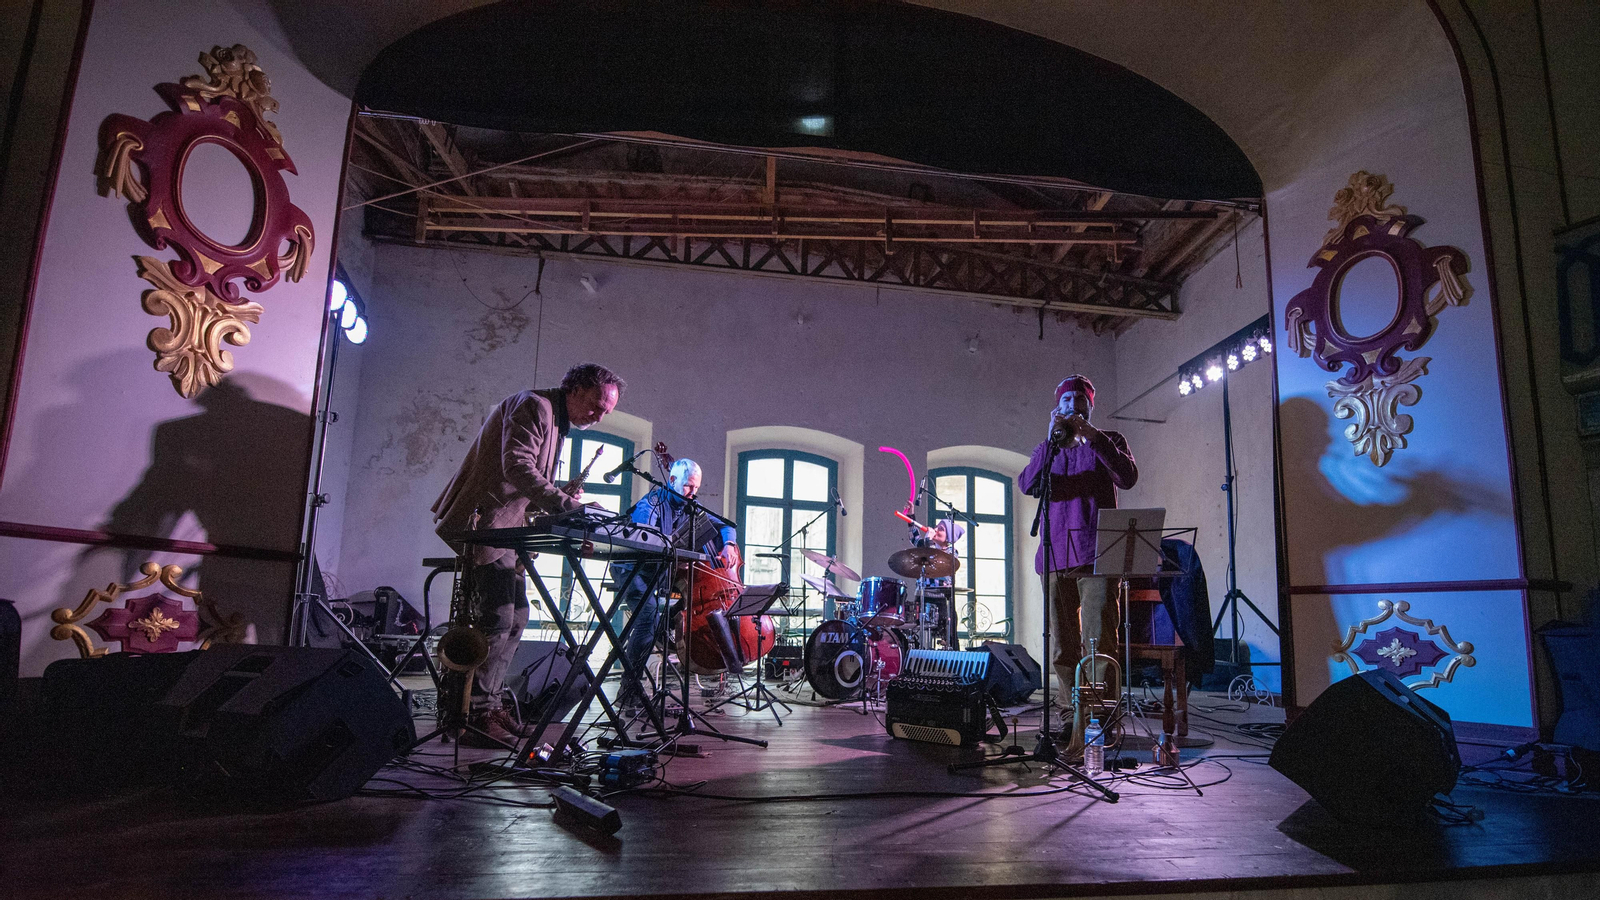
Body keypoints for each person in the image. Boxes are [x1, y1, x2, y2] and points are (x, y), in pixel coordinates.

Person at [431, 362, 624, 747]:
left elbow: (523, 481)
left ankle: (489, 705)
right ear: (576, 388)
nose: (600, 416)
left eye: (607, 412)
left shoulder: (555, 419)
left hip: (507, 529)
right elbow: (516, 467)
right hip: (485, 524)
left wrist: (559, 497)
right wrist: (566, 504)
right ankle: (473, 715)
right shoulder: (535, 406)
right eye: (597, 404)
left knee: (517, 616)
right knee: (498, 618)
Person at [1018, 374, 1138, 751]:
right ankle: (1071, 715)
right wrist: (1050, 437)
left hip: (1097, 554)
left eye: (1078, 400)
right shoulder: (1047, 448)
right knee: (1061, 643)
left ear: (1089, 406)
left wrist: (1094, 437)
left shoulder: (1109, 441)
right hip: (1054, 557)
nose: (1072, 406)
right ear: (1057, 407)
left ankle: (1101, 717)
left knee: (1099, 639)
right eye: (1065, 400)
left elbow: (1128, 476)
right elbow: (1027, 484)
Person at [613, 457, 741, 709]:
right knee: (647, 616)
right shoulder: (650, 504)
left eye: (696, 488)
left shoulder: (691, 505)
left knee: (665, 617)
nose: (693, 493)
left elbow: (725, 525)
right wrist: (674, 559)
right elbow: (645, 545)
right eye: (688, 487)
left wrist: (727, 544)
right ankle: (629, 687)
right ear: (672, 480)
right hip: (634, 570)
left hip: (663, 572)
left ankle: (661, 639)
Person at [908, 516, 965, 647]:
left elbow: (931, 558)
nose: (936, 530)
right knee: (919, 634)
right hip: (922, 597)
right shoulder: (928, 545)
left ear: (948, 538)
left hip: (941, 600)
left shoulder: (951, 553)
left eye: (941, 529)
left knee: (948, 637)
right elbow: (914, 539)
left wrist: (928, 539)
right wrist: (911, 517)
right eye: (936, 527)